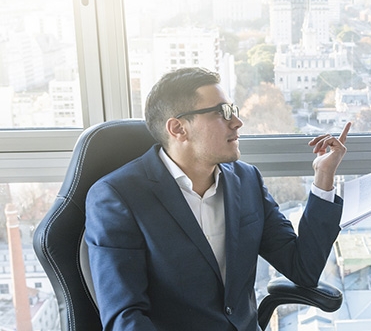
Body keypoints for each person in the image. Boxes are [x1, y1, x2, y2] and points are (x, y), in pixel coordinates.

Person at [85, 67, 351, 331]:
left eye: (233, 110)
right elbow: (126, 318)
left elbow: (303, 269)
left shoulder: (247, 181)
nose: (237, 122)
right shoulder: (117, 198)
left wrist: (323, 177)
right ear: (178, 128)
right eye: (222, 113)